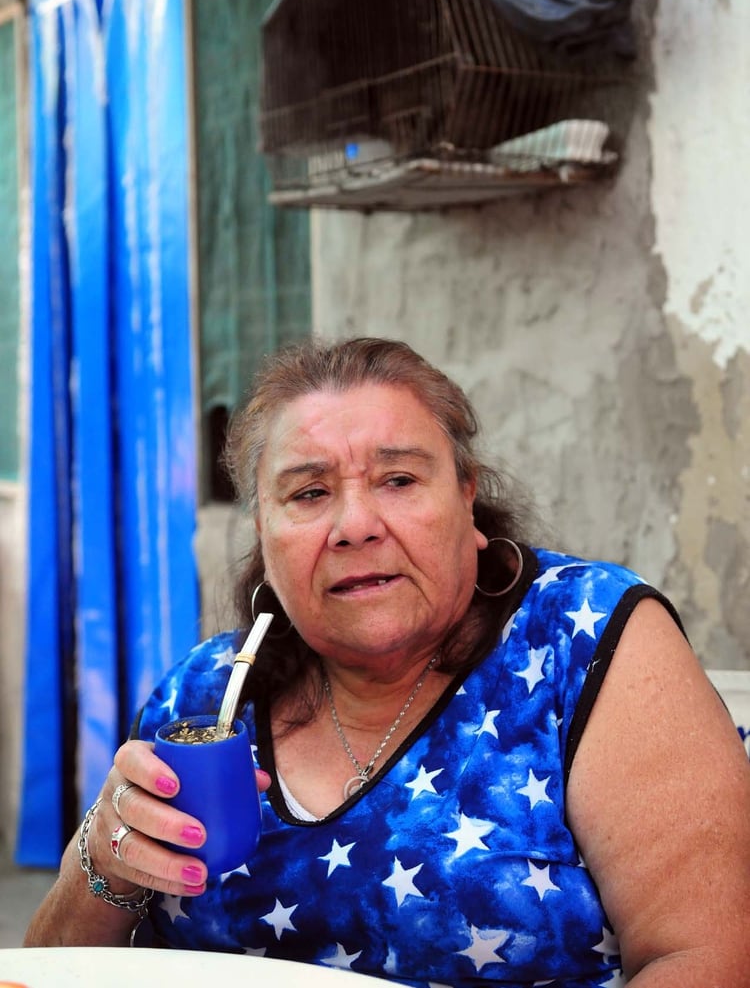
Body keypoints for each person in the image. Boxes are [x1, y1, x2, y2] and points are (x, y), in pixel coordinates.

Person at [26, 336, 750, 985]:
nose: (355, 526)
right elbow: (51, 970)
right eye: (308, 493)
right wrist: (104, 864)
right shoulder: (206, 694)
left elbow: (711, 958)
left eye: (399, 480)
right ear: (263, 533)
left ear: (467, 497)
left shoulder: (582, 641)